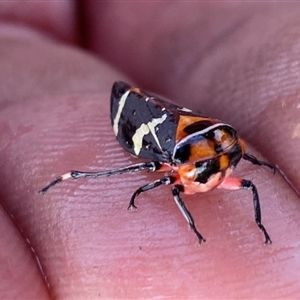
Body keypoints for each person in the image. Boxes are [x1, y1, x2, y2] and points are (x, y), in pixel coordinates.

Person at [0, 3, 299, 299]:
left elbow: (230, 154)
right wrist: (171, 210)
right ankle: (75, 176)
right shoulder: (178, 172)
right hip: (153, 128)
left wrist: (248, 164)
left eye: (230, 159)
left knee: (242, 183)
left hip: (187, 128)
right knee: (135, 172)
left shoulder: (222, 153)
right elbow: (174, 187)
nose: (222, 171)